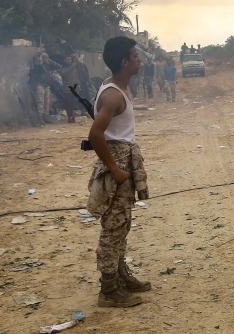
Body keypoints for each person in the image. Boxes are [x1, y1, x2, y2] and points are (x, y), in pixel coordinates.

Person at [87, 36, 150, 308]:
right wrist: (114, 168)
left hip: (124, 159)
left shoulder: (117, 87)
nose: (140, 60)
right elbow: (95, 134)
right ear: (125, 62)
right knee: (113, 227)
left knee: (122, 223)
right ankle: (109, 289)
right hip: (118, 164)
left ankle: (121, 276)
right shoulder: (113, 94)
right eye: (135, 56)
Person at [30, 47, 62, 125]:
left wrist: (50, 61)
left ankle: (46, 116)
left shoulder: (48, 65)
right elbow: (36, 64)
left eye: (47, 59)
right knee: (40, 102)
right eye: (45, 59)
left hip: (47, 85)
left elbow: (58, 66)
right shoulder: (39, 65)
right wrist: (40, 58)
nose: (46, 60)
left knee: (47, 102)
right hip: (40, 85)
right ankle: (40, 117)